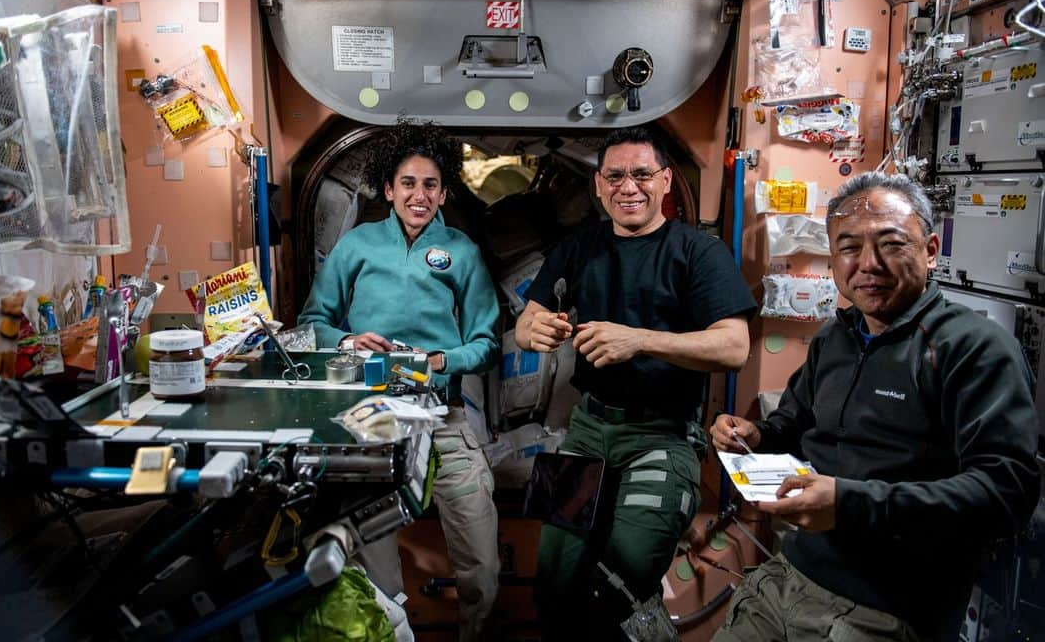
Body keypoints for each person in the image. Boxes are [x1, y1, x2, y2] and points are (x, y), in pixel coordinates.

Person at [711, 172, 1041, 642]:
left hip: (882, 611)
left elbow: (1005, 493)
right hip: (789, 577)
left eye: (890, 244)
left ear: (930, 250)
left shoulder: (973, 348)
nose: (868, 264)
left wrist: (850, 504)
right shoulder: (837, 337)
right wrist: (757, 435)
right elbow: (795, 422)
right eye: (848, 247)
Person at [515, 126, 756, 640]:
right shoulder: (578, 248)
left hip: (662, 437)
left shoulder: (698, 253)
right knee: (554, 579)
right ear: (599, 186)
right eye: (616, 176)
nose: (630, 187)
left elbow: (734, 347)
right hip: (587, 428)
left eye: (643, 174)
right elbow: (525, 321)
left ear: (666, 180)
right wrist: (532, 329)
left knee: (620, 585)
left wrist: (639, 340)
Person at [298, 121, 501, 642]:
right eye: (408, 183)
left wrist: (441, 360)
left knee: (482, 549)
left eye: (430, 184)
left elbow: (486, 342)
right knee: (374, 556)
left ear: (443, 191)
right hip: (372, 413)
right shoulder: (357, 247)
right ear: (388, 189)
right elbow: (310, 323)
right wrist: (347, 341)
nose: (419, 195)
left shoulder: (461, 251)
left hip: (443, 413)